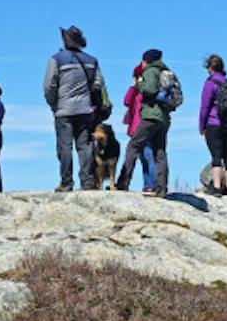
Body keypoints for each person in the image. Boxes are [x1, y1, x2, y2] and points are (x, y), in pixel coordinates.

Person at [44, 25, 107, 192]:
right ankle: (87, 181)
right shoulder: (92, 60)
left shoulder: (56, 59)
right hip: (85, 109)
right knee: (84, 146)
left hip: (63, 109)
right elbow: (99, 83)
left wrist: (54, 104)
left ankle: (66, 182)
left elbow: (49, 85)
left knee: (64, 147)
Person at [115, 48, 174, 195]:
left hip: (150, 116)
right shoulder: (165, 72)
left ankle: (123, 182)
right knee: (159, 152)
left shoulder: (150, 71)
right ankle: (162, 187)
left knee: (133, 147)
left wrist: (139, 83)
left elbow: (150, 90)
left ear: (146, 60)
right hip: (164, 118)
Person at [198, 54, 227, 195]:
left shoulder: (210, 83)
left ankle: (217, 187)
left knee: (216, 156)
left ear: (209, 68)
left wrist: (201, 125)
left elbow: (205, 106)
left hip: (213, 122)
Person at [122, 58, 156, 191]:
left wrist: (136, 85)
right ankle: (148, 184)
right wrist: (133, 87)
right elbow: (126, 101)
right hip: (138, 126)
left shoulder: (144, 91)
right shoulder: (137, 90)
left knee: (147, 155)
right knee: (144, 156)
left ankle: (151, 184)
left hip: (142, 126)